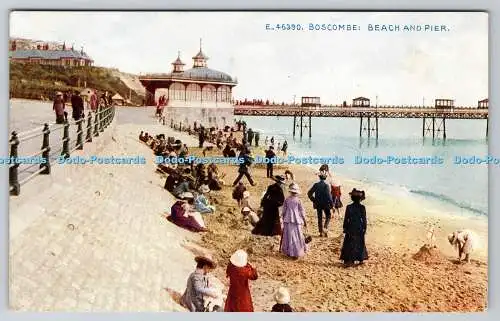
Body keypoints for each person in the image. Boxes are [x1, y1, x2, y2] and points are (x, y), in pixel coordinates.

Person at [340, 189, 368, 266]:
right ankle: (360, 259)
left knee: (349, 243)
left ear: (352, 198)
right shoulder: (362, 207)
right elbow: (364, 219)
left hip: (350, 226)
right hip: (359, 226)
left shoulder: (349, 207)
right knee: (360, 242)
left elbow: (346, 218)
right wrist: (365, 228)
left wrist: (344, 228)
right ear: (360, 199)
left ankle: (348, 260)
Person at [280, 183, 307, 259]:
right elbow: (302, 212)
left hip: (288, 219)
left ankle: (289, 252)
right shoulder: (298, 200)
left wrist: (282, 217)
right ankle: (297, 252)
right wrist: (305, 221)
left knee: (288, 236)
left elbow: (284, 211)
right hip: (297, 220)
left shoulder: (287, 200)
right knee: (298, 236)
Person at [307, 172, 334, 237]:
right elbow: (329, 196)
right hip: (325, 204)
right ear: (325, 178)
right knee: (328, 216)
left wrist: (314, 200)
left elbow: (309, 193)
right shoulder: (326, 186)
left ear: (319, 178)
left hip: (318, 204)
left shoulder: (316, 184)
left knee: (319, 218)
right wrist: (332, 205)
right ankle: (325, 228)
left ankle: (321, 232)